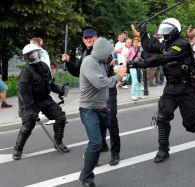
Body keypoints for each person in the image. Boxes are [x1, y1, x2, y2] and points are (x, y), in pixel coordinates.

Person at [129, 18, 195, 163]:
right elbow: (148, 46)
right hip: (172, 87)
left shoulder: (182, 44)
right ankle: (163, 149)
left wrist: (142, 63)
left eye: (167, 32)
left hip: (187, 88)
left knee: (190, 125)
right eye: (163, 32)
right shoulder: (164, 44)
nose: (164, 35)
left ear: (174, 31)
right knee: (162, 116)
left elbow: (165, 57)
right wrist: (143, 31)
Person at [62, 29, 121, 166]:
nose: (88, 40)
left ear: (97, 38)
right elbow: (79, 72)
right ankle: (101, 146)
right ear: (83, 40)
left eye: (91, 37)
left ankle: (115, 153)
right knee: (98, 122)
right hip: (94, 96)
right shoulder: (85, 54)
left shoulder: (106, 53)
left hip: (107, 91)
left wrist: (115, 68)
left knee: (111, 122)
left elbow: (116, 67)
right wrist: (69, 62)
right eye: (85, 38)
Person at [78, 37, 124, 187]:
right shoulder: (89, 62)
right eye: (108, 52)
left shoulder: (100, 61)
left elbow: (107, 70)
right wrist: (118, 76)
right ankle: (86, 177)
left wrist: (115, 62)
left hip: (102, 107)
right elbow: (100, 82)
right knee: (96, 142)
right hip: (89, 109)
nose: (109, 55)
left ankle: (109, 154)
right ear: (102, 52)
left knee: (109, 130)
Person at [13, 44, 69, 160]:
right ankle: (18, 148)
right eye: (30, 54)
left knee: (60, 117)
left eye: (35, 52)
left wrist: (60, 89)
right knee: (28, 126)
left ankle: (58, 142)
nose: (34, 55)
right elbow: (23, 92)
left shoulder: (44, 66)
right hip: (30, 103)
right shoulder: (26, 72)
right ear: (27, 57)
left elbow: (49, 83)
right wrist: (29, 109)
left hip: (45, 99)